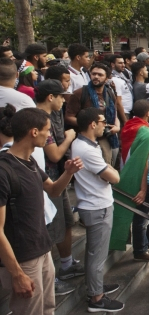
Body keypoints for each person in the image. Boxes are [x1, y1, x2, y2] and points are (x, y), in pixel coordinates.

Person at [0, 108, 83, 315]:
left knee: (47, 309)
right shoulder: (4, 170)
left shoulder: (30, 162)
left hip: (42, 249)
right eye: (47, 131)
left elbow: (53, 189)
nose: (49, 136)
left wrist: (68, 173)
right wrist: (17, 274)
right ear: (34, 132)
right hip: (23, 258)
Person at [70, 108, 124, 312]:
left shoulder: (83, 144)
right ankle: (96, 298)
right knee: (97, 255)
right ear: (93, 124)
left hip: (95, 203)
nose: (106, 126)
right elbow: (114, 177)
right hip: (96, 206)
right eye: (103, 122)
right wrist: (111, 172)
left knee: (96, 254)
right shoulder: (87, 150)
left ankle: (96, 286)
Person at [35, 80, 85, 289]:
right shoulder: (37, 119)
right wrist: (70, 137)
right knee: (50, 228)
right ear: (50, 97)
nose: (64, 100)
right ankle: (49, 279)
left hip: (57, 178)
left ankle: (65, 264)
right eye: (61, 96)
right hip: (46, 181)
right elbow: (54, 154)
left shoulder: (51, 115)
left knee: (65, 222)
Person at [112, 99, 149, 261]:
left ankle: (141, 242)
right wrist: (144, 188)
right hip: (145, 179)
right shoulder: (146, 132)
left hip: (128, 174)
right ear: (148, 113)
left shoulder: (128, 126)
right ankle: (140, 249)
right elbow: (145, 161)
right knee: (142, 216)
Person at [65, 62, 121, 166]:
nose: (96, 77)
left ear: (107, 78)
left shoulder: (110, 93)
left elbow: (115, 114)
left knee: (109, 167)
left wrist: (117, 126)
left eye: (100, 75)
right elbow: (69, 117)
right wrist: (89, 125)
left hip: (107, 137)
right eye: (94, 74)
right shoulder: (80, 93)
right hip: (87, 140)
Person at [109, 54, 133, 122]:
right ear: (113, 64)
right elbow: (118, 102)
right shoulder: (114, 79)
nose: (123, 65)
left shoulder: (123, 74)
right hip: (123, 113)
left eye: (123, 63)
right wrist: (125, 120)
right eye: (120, 63)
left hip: (128, 112)